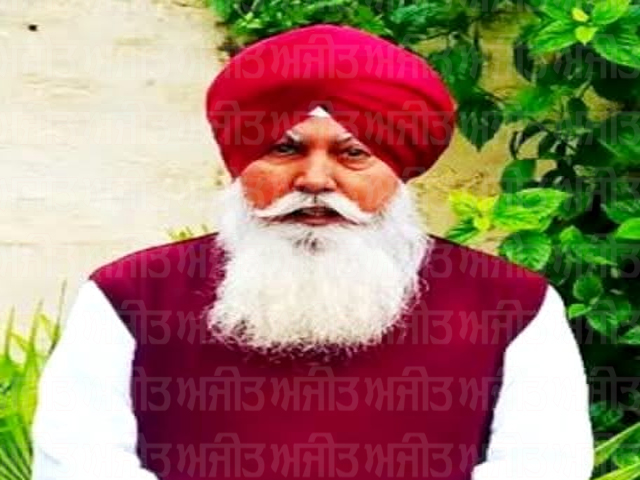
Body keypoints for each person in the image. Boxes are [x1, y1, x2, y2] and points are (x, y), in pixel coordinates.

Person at [31, 23, 594, 480]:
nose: (316, 179)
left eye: (353, 154)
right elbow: (80, 465)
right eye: (283, 149)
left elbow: (542, 467)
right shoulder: (130, 296)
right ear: (239, 162)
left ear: (398, 168)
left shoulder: (512, 305)